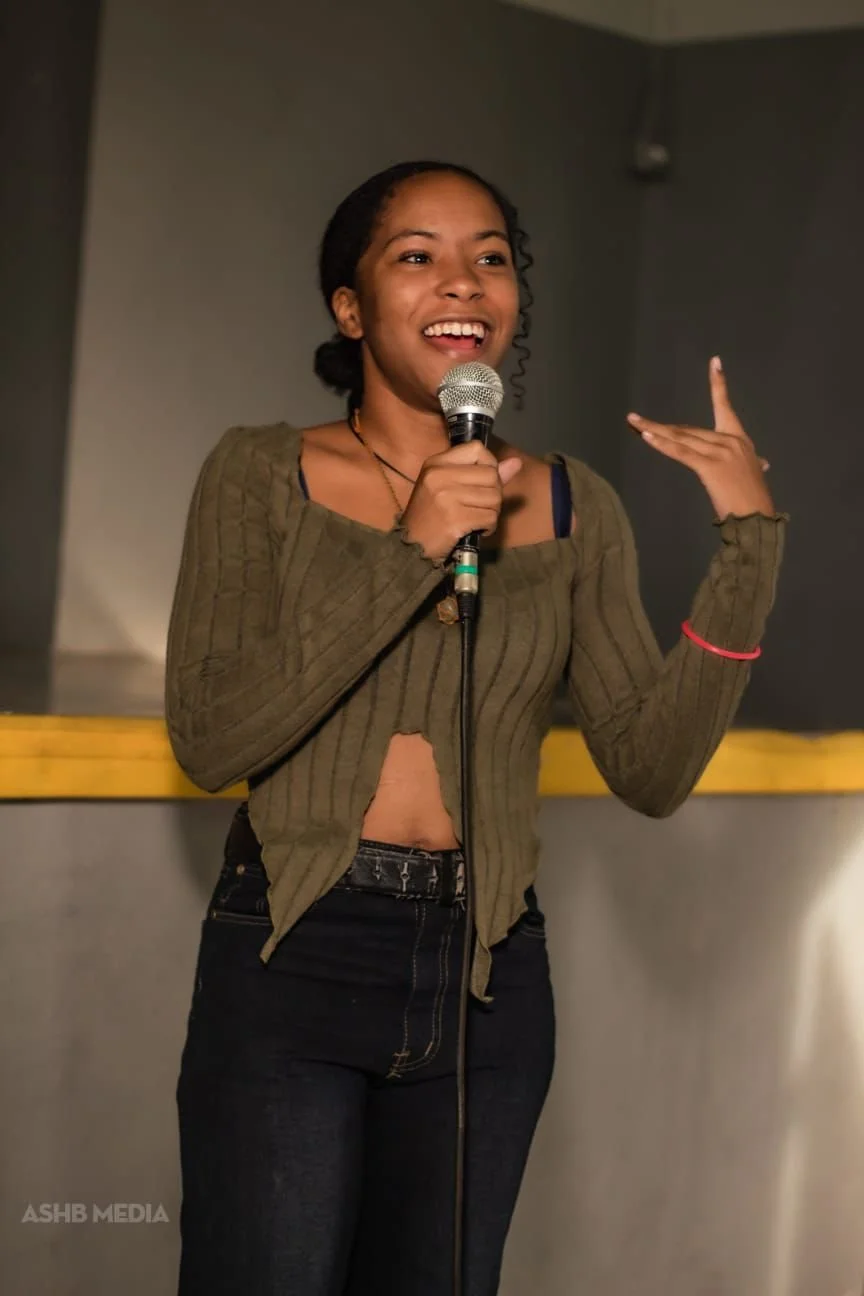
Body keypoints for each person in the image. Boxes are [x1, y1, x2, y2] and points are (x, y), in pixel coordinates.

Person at [164, 160, 785, 1296]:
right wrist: (409, 546)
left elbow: (648, 769)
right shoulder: (259, 473)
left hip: (488, 978)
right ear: (350, 310)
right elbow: (211, 740)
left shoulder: (570, 505)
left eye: (490, 256)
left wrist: (747, 545)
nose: (464, 280)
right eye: (418, 255)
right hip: (294, 955)